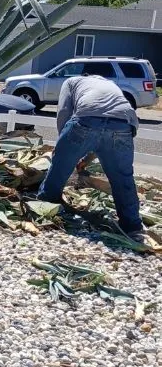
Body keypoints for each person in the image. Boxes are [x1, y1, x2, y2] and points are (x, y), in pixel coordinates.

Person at [36, 73, 145, 241]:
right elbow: (104, 140)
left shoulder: (71, 82)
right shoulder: (109, 83)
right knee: (123, 178)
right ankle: (132, 227)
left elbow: (64, 112)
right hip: (123, 125)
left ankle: (45, 207)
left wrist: (63, 145)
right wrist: (86, 160)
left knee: (60, 168)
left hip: (86, 120)